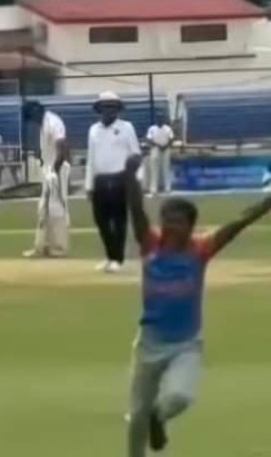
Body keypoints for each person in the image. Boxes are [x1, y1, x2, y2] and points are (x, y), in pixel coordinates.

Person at [122, 152, 271, 455]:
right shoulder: (150, 245)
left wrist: (267, 204)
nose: (169, 227)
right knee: (135, 417)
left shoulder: (201, 250)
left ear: (191, 226)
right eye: (166, 221)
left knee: (180, 396)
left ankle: (159, 417)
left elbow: (239, 222)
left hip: (186, 344)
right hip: (148, 345)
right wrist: (130, 177)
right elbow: (136, 210)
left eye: (176, 222)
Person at [86, 91, 142, 272]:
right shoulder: (93, 130)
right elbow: (90, 159)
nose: (109, 111)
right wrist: (89, 185)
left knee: (119, 220)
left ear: (118, 109)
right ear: (100, 109)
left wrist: (135, 180)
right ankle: (110, 255)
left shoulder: (126, 127)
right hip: (100, 180)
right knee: (101, 221)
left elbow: (136, 154)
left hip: (120, 179)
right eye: (105, 107)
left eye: (113, 107)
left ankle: (118, 259)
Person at [22, 99, 69, 258]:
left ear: (37, 111)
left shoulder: (53, 122)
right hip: (49, 169)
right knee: (43, 208)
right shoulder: (43, 123)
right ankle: (42, 246)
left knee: (56, 208)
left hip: (58, 170)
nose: (32, 122)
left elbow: (62, 149)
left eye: (31, 117)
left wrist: (54, 172)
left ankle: (59, 248)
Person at [144, 116, 177, 196]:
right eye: (158, 119)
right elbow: (149, 139)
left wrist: (165, 146)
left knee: (166, 168)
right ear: (156, 120)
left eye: (161, 119)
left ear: (163, 120)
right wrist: (158, 145)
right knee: (154, 169)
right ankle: (153, 189)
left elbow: (172, 139)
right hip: (155, 149)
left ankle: (167, 188)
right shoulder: (152, 128)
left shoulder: (168, 128)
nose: (160, 121)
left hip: (166, 149)